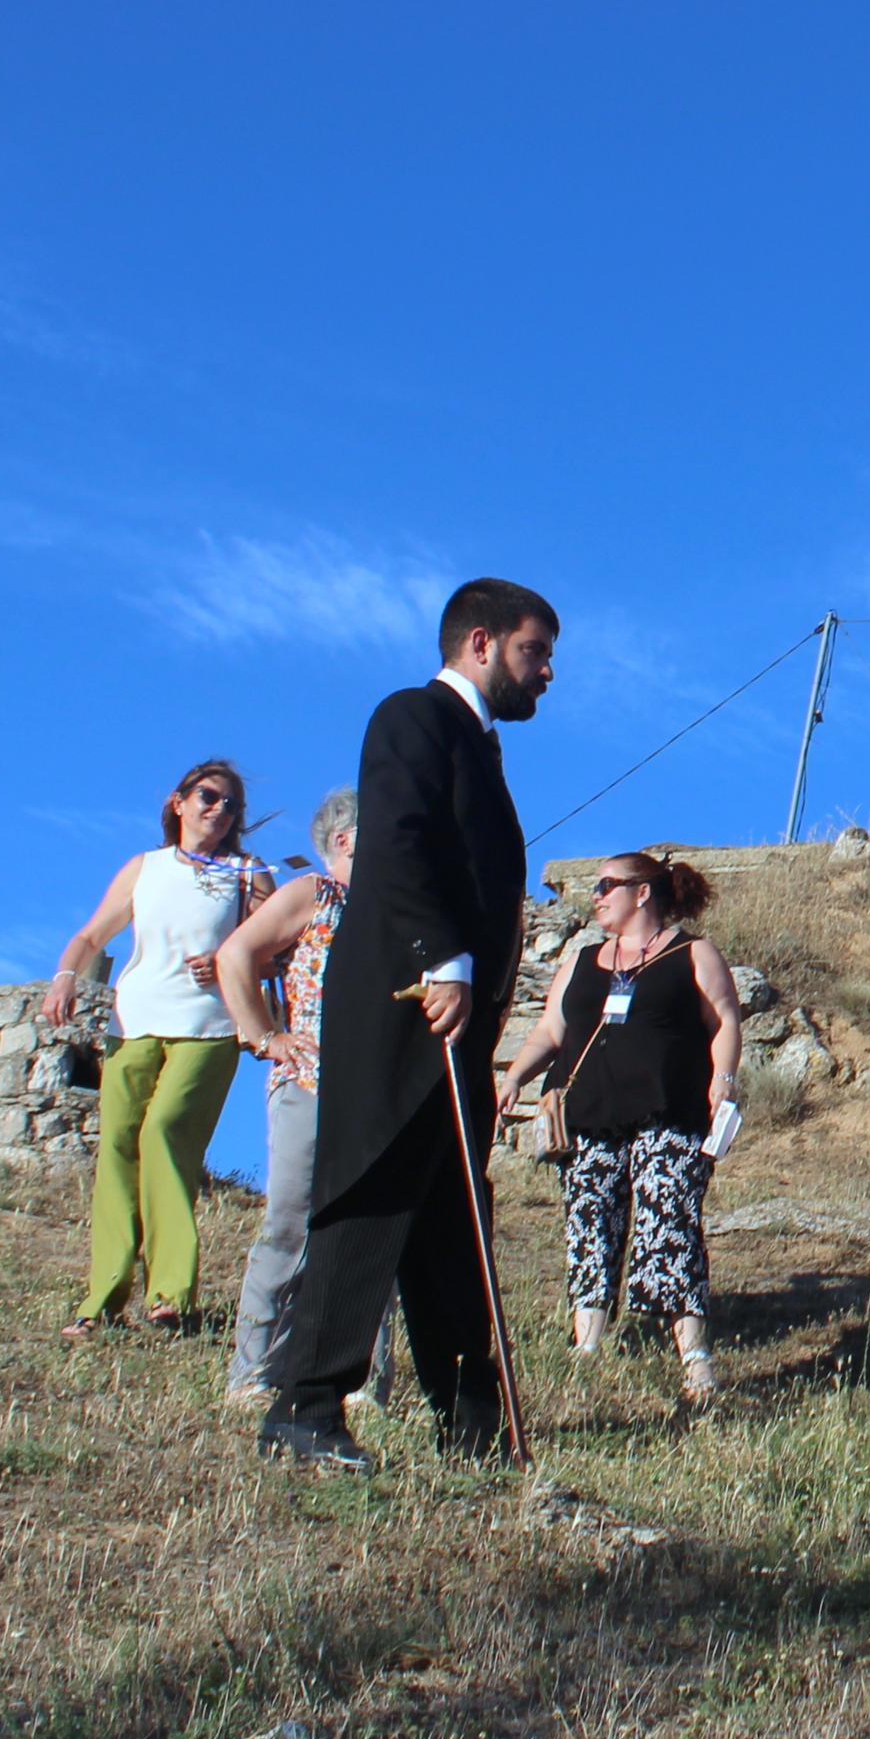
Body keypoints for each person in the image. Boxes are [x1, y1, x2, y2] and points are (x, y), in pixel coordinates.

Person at [260, 577, 556, 1471]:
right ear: (479, 641)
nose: (547, 671)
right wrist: (443, 958)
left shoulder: (478, 744)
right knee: (375, 1189)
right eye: (533, 651)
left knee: (449, 1219)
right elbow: (401, 839)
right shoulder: (411, 717)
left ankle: (472, 1425)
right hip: (408, 999)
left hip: (455, 1017)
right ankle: (304, 1406)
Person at [501, 852, 746, 1410]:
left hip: (670, 1109)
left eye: (607, 884)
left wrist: (724, 1080)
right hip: (589, 1114)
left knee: (671, 1223)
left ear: (642, 893)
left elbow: (724, 1018)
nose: (596, 893)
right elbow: (551, 1028)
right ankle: (587, 1348)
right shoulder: (583, 958)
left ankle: (695, 1358)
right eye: (595, 885)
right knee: (588, 1224)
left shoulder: (692, 952)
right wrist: (515, 1075)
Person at [42, 760, 275, 1341]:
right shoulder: (144, 868)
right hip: (135, 1021)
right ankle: (103, 1297)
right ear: (178, 802)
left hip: (212, 1026)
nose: (218, 810)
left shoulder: (248, 874)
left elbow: (278, 950)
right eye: (208, 796)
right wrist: (66, 975)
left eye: (230, 805)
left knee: (163, 1135)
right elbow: (93, 934)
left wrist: (227, 957)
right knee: (118, 1149)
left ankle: (170, 1293)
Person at [213, 787, 385, 1407]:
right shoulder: (315, 895)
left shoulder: (396, 910)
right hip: (311, 1081)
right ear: (345, 841)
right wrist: (264, 1034)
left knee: (371, 1231)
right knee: (288, 1223)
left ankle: (361, 1382)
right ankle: (254, 1374)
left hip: (378, 1092)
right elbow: (236, 954)